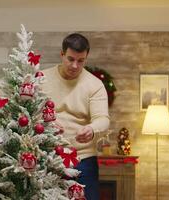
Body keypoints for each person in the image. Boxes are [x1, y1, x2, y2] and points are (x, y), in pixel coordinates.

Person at [42, 33, 110, 200]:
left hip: (83, 158)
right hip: (47, 157)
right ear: (62, 54)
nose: (75, 65)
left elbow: (103, 119)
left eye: (81, 61)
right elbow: (28, 113)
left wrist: (92, 129)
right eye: (70, 59)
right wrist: (45, 124)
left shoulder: (94, 84)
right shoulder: (41, 79)